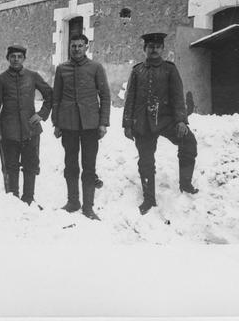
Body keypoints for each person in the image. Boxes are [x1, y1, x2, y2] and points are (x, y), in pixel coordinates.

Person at [122, 32, 198, 215]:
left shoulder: (170, 69)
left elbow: (178, 96)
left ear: (163, 49)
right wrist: (127, 124)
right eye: (150, 47)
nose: (154, 49)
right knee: (146, 161)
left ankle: (185, 184)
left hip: (166, 120)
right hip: (143, 124)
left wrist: (181, 120)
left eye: (157, 46)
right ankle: (149, 199)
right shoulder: (137, 70)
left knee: (189, 143)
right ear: (145, 49)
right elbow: (129, 98)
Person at [52, 33, 111, 220]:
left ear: (87, 47)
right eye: (73, 46)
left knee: (89, 166)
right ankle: (73, 201)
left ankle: (88, 206)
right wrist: (57, 123)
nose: (76, 49)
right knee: (70, 164)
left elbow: (105, 96)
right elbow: (56, 98)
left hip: (90, 125)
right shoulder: (62, 69)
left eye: (80, 46)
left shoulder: (95, 68)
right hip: (68, 124)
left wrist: (103, 123)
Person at [0, 44, 52, 205]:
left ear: (24, 59)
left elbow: (50, 95)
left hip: (30, 129)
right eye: (13, 56)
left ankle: (29, 199)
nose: (16, 59)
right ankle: (13, 201)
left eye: (19, 56)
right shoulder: (1, 79)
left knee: (31, 166)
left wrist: (42, 114)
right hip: (8, 131)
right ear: (8, 59)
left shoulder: (33, 76)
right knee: (11, 167)